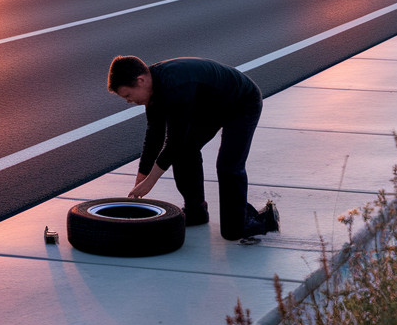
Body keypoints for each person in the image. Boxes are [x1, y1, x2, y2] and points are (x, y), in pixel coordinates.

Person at [108, 55, 279, 241]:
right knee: (184, 152)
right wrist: (138, 185)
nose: (128, 101)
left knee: (228, 167)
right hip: (210, 105)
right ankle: (195, 211)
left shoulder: (175, 85)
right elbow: (154, 138)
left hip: (241, 103)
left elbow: (174, 141)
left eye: (127, 96)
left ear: (140, 80)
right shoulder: (154, 90)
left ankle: (259, 220)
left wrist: (150, 183)